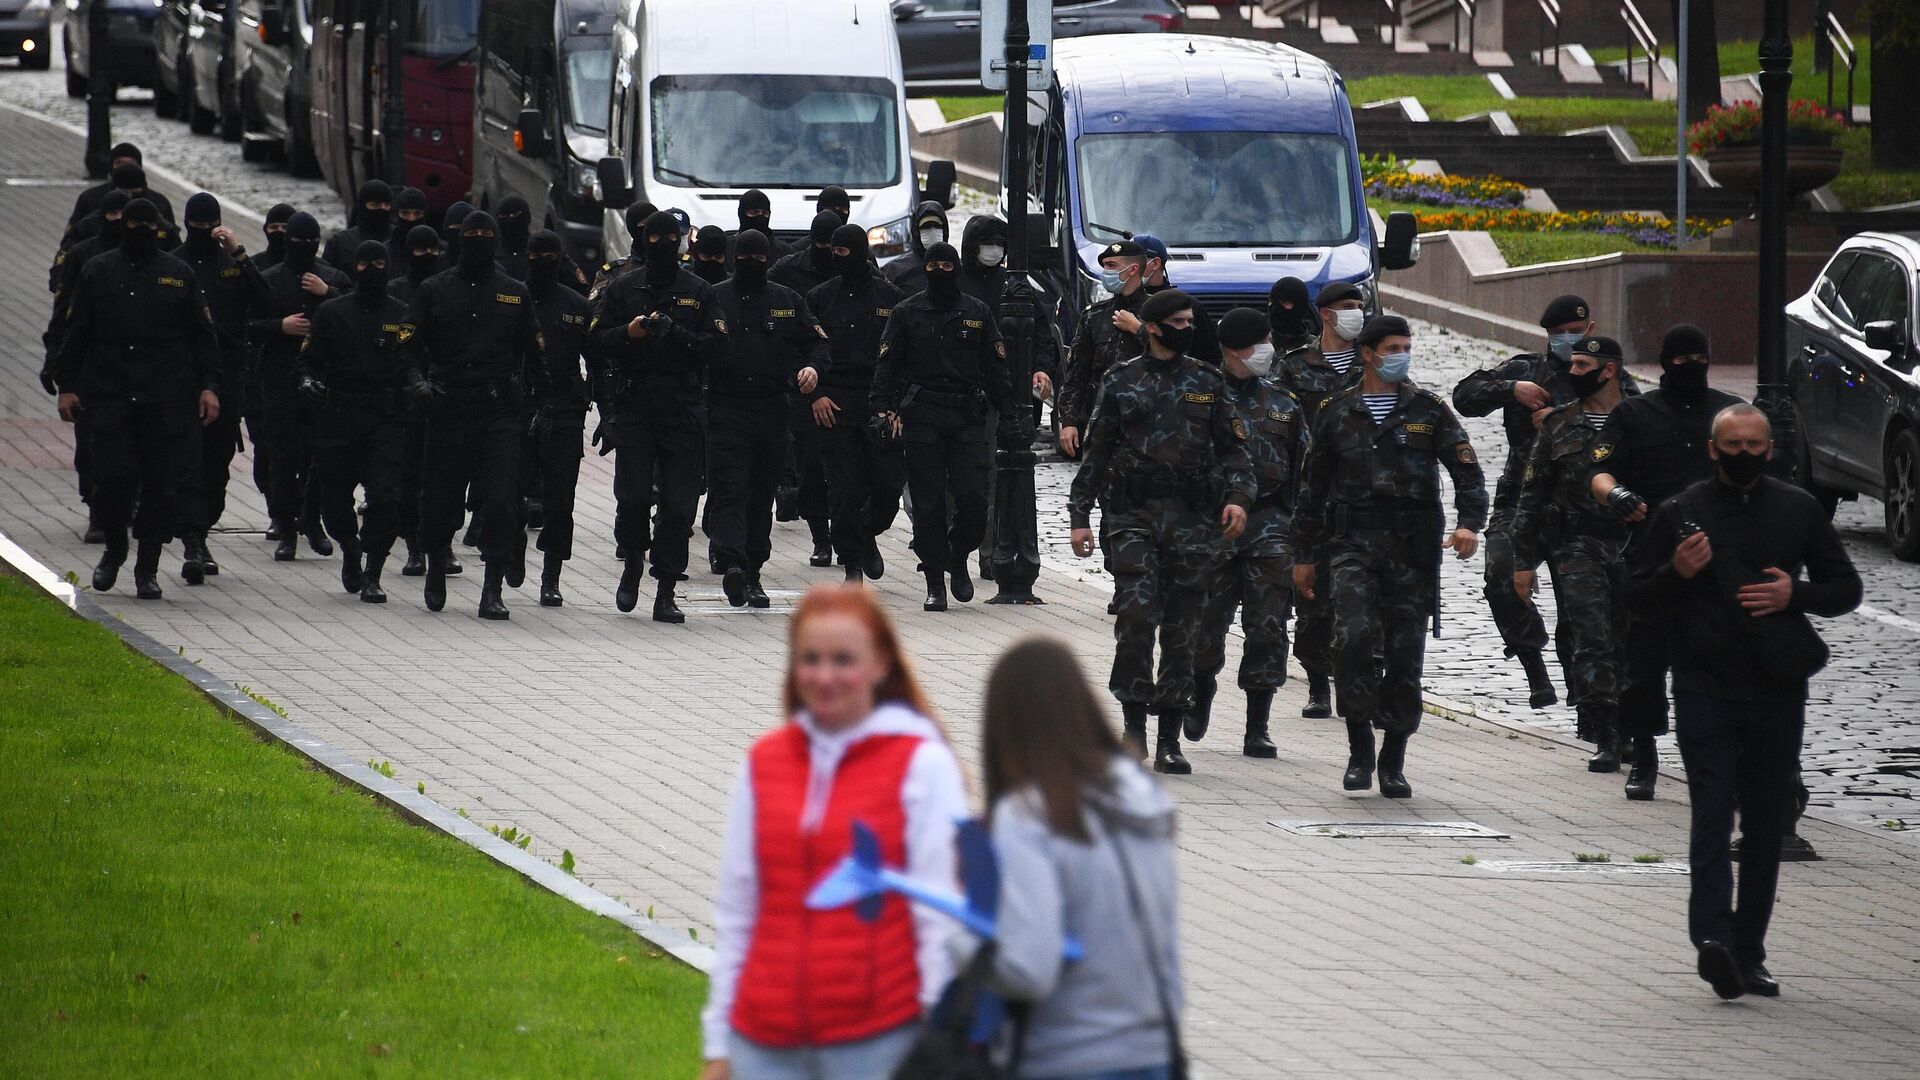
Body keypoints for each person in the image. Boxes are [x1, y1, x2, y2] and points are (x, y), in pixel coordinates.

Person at [1628, 404, 1859, 1000]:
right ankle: (1712, 940)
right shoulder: (1682, 512)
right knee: (1711, 810)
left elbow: (1845, 589)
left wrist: (1794, 593)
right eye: (1733, 445)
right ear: (1713, 449)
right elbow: (1634, 594)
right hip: (1705, 685)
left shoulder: (1797, 508)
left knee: (1764, 823)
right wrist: (1677, 571)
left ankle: (1749, 952)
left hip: (1777, 688)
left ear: (1770, 447)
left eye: (1755, 445)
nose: (1745, 455)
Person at [699, 584, 966, 1080]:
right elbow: (739, 907)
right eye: (810, 659)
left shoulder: (921, 763)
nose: (824, 676)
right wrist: (720, 1042)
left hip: (877, 1040)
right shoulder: (764, 763)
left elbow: (939, 911)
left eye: (843, 659)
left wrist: (936, 1033)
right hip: (763, 1037)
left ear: (881, 664)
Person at [1291, 316, 1486, 798]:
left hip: (1411, 549)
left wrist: (1468, 523)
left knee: (1405, 655)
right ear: (1368, 353)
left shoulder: (1429, 410)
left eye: (1407, 346)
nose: (1402, 354)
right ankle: (1360, 747)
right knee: (1353, 640)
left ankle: (1393, 756)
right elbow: (1312, 489)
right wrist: (1304, 554)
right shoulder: (1337, 411)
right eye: (1393, 347)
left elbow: (1467, 470)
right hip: (1352, 546)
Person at [1067, 289, 1254, 774]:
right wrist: (1079, 516)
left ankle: (1170, 735)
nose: (1188, 327)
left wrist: (1237, 498)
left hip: (1193, 523)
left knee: (1182, 629)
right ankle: (1133, 725)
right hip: (1133, 518)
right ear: (1153, 327)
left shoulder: (1208, 382)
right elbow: (1098, 453)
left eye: (1191, 320)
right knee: (1135, 616)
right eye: (1178, 320)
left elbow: (1236, 451)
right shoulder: (1121, 381)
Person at [983, 637, 1183, 1080]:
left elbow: (1028, 970)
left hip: (1066, 1053)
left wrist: (959, 945)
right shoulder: (1141, 797)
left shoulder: (1028, 815)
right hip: (1152, 1049)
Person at [1588, 323, 1744, 800]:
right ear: (1664, 363)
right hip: (1651, 556)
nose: (1691, 368)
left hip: (1716, 558)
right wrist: (1617, 496)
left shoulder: (1727, 413)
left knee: (1721, 663)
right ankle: (1644, 755)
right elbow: (1599, 469)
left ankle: (1723, 757)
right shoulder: (1635, 415)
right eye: (1682, 360)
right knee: (1643, 666)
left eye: (1699, 359)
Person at [52, 198, 221, 600]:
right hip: (110, 392)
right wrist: (67, 385)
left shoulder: (177, 275)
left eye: (149, 224)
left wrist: (209, 386)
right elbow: (77, 332)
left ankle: (148, 568)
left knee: (161, 487)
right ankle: (115, 547)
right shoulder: (98, 270)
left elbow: (202, 336)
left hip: (165, 396)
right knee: (111, 478)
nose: (141, 230)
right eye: (134, 223)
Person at [1453, 294, 1611, 710]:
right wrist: (1511, 389)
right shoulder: (1528, 369)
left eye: (1575, 334)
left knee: (1579, 608)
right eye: (1558, 335)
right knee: (1501, 577)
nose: (1567, 342)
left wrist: (1564, 415)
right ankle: (1535, 671)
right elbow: (1465, 395)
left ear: (1590, 330)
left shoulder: (1608, 376)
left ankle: (1586, 700)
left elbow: (1626, 424)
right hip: (1520, 500)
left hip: (1580, 508)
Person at [400, 211, 548, 620]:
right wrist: (417, 385)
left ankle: (493, 587)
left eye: (487, 234)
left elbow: (536, 357)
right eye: (473, 234)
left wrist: (541, 409)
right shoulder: (433, 290)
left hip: (498, 412)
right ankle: (434, 562)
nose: (479, 240)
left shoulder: (514, 293)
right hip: (447, 409)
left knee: (501, 502)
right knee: (440, 500)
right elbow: (406, 348)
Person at [589, 210, 725, 623]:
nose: (664, 243)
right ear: (643, 238)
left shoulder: (700, 290)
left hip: (682, 410)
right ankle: (633, 560)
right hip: (636, 408)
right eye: (656, 236)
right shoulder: (623, 287)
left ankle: (666, 587)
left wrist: (676, 333)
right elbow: (595, 342)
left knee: (679, 508)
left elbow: (716, 347)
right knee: (632, 498)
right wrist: (628, 334)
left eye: (672, 236)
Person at [1512, 336, 1634, 772]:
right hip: (1577, 544)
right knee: (1590, 635)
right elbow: (1532, 492)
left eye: (1583, 365)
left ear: (1609, 370)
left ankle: (1633, 724)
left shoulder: (1641, 417)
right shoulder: (1560, 424)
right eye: (1572, 363)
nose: (1572, 372)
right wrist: (1522, 561)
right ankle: (1604, 731)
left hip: (1633, 543)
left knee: (1629, 639)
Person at [870, 241, 1013, 610]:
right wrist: (882, 409)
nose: (940, 273)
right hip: (923, 416)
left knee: (974, 499)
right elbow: (886, 366)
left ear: (958, 270)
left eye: (947, 267)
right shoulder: (907, 312)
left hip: (966, 416)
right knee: (929, 502)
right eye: (933, 266)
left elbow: (996, 369)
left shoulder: (977, 312)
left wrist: (1010, 413)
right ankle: (935, 577)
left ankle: (958, 552)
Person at [1191, 309, 1306, 759]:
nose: (1269, 349)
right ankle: (1199, 693)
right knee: (1204, 626)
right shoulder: (1202, 396)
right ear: (1236, 350)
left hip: (1271, 526)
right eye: (1262, 341)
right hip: (1214, 527)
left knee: (1267, 628)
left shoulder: (1283, 403)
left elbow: (1303, 470)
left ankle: (1257, 724)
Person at [708, 230, 828, 607]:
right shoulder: (714, 298)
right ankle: (732, 562)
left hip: (772, 410)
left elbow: (818, 341)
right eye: (747, 257)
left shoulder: (786, 301)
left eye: (760, 258)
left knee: (761, 493)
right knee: (730, 488)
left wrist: (812, 368)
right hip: (726, 408)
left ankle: (754, 570)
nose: (754, 265)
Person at [296, 240, 412, 603]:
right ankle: (349, 547)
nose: (373, 270)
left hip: (385, 417)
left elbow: (412, 362)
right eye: (365, 264)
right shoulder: (332, 312)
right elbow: (308, 360)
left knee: (384, 497)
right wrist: (307, 382)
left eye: (380, 263)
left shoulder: (402, 314)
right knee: (333, 499)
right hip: (339, 416)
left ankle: (374, 570)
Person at [1273, 280, 1367, 720]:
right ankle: (1316, 684)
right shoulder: (1294, 366)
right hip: (1311, 500)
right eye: (1347, 307)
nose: (1356, 314)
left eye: (1359, 306)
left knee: (1363, 602)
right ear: (1326, 314)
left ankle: (1359, 683)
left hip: (1363, 500)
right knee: (1312, 602)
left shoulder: (1375, 364)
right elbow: (1273, 418)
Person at [173, 193, 270, 582]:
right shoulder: (174, 264)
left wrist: (240, 256)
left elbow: (266, 302)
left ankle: (202, 525)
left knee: (216, 464)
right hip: (184, 379)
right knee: (187, 462)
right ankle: (194, 540)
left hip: (229, 376)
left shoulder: (230, 265)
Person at [806, 224, 906, 587]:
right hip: (836, 400)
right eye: (833, 251)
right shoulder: (820, 297)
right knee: (844, 488)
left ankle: (867, 532)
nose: (837, 259)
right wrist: (816, 395)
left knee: (887, 486)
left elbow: (902, 356)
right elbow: (807, 349)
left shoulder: (890, 296)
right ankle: (851, 563)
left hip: (878, 401)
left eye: (844, 252)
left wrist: (895, 406)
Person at [251, 211, 348, 561]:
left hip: (323, 381)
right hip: (279, 379)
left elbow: (355, 313)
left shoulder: (332, 277)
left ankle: (312, 519)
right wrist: (280, 326)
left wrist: (329, 293)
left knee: (320, 458)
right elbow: (248, 325)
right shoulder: (270, 280)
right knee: (282, 457)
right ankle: (286, 526)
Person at [773, 209, 847, 564]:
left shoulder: (867, 278)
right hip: (806, 382)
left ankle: (858, 532)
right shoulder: (790, 272)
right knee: (812, 466)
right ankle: (822, 536)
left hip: (852, 385)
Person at [524, 230, 593, 607]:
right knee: (509, 493)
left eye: (551, 254)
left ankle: (552, 575)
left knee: (559, 501)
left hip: (565, 408)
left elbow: (597, 360)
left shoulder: (577, 305)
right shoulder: (513, 297)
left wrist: (607, 413)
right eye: (538, 254)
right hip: (518, 407)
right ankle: (507, 554)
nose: (544, 262)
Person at [387, 224, 449, 579]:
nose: (427, 256)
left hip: (442, 393)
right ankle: (413, 544)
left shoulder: (446, 289)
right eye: (419, 249)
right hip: (404, 398)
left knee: (443, 476)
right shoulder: (397, 291)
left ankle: (442, 544)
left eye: (432, 249)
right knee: (408, 478)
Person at [1057, 240, 1151, 461]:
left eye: (1112, 265)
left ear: (1133, 269)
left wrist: (1139, 330)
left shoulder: (1158, 311)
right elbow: (1076, 374)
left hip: (1148, 423)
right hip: (1102, 423)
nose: (1106, 271)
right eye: (1105, 265)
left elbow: (1177, 355)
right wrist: (1069, 421)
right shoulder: (1095, 316)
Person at [1123, 234, 1217, 364]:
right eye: (1124, 262)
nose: (1127, 268)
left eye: (1134, 261)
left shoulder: (1186, 305)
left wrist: (1139, 330)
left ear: (1155, 263)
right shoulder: (1118, 302)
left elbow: (1208, 356)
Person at [880, 200, 948, 298]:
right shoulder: (895, 270)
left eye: (937, 226)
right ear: (916, 231)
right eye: (926, 227)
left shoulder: (958, 269)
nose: (932, 231)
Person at [322, 179, 394, 268]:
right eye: (375, 205)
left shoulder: (400, 238)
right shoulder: (340, 242)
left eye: (387, 205)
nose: (383, 209)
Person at [1265, 276, 1318, 355]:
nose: (1275, 308)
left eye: (1285, 302)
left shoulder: (1316, 348)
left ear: (1301, 307)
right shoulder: (1260, 347)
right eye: (1271, 301)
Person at [731, 188, 787, 261]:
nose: (760, 217)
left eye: (764, 213)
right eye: (754, 212)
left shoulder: (783, 252)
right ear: (742, 214)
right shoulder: (727, 250)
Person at [254, 202, 296, 271]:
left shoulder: (309, 269)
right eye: (274, 227)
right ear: (266, 229)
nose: (279, 231)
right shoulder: (254, 265)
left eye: (285, 228)